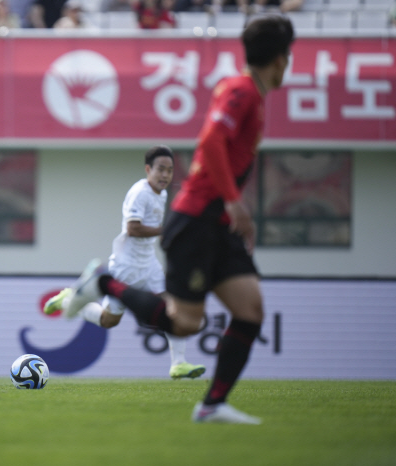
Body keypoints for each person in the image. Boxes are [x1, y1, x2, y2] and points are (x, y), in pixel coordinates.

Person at [64, 16, 294, 424]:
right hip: (196, 221)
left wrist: (233, 209)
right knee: (185, 323)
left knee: (251, 311)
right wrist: (234, 201)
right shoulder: (240, 90)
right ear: (279, 59)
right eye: (288, 57)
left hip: (217, 222)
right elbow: (210, 141)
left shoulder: (251, 95)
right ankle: (103, 281)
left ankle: (212, 405)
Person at [44, 146, 205, 380]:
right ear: (148, 169)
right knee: (109, 321)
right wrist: (167, 230)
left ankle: (178, 364)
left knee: (173, 308)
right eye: (160, 169)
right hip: (126, 265)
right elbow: (133, 228)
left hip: (149, 264)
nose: (165, 175)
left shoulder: (160, 194)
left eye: (170, 171)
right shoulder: (140, 192)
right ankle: (68, 299)